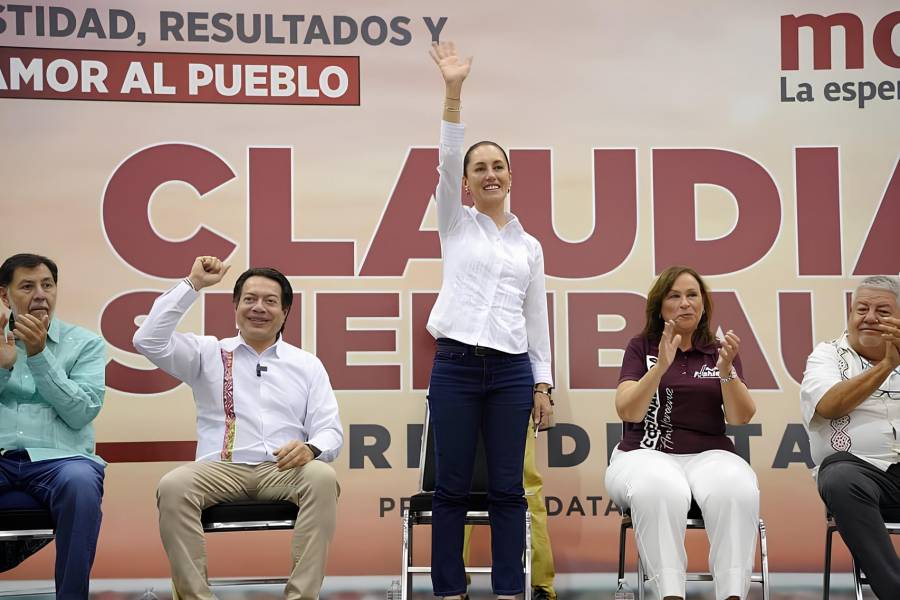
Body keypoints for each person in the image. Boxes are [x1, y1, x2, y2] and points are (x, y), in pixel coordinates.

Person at [132, 257, 343, 600]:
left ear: (285, 312)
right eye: (249, 299)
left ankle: (301, 597)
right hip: (221, 469)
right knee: (173, 486)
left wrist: (311, 449)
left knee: (321, 477)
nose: (258, 308)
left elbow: (330, 431)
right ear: (235, 306)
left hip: (283, 469)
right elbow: (148, 340)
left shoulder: (306, 364)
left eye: (270, 301)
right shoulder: (208, 353)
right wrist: (193, 284)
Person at [425, 41, 554, 600]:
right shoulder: (455, 223)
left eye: (498, 165)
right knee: (451, 488)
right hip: (454, 366)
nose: (489, 173)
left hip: (510, 374)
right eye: (479, 167)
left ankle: (508, 592)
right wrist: (453, 94)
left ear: (510, 175)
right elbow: (446, 158)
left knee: (508, 489)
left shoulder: (530, 246)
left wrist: (542, 380)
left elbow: (537, 318)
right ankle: (449, 591)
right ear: (468, 182)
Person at [604, 265, 759, 600]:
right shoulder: (640, 346)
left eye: (692, 295)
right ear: (660, 306)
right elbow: (628, 410)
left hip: (709, 454)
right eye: (675, 296)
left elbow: (740, 417)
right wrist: (660, 366)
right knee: (660, 486)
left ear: (703, 305)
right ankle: (669, 593)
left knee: (737, 487)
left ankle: (733, 594)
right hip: (643, 454)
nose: (685, 303)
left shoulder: (719, 350)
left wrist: (727, 372)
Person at [0, 253, 106, 599]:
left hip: (60, 460)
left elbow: (81, 412)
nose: (41, 294)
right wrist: (2, 369)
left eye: (48, 285)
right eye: (27, 286)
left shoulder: (85, 343)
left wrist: (39, 355)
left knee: (81, 483)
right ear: (5, 296)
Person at [800, 275, 900, 600]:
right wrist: (887, 365)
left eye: (882, 311)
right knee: (839, 475)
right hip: (862, 478)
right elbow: (829, 404)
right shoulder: (826, 355)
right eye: (862, 309)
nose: (870, 317)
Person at [462, 420, 558, 600]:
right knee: (464, 486)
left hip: (515, 399)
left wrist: (542, 392)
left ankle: (541, 584)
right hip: (464, 398)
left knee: (526, 488)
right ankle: (456, 584)